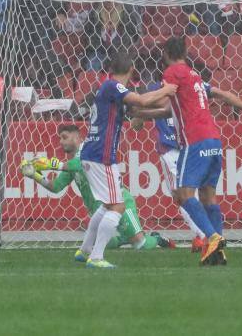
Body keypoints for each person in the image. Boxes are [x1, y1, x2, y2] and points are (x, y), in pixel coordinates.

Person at [65, 52, 177, 268]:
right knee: (117, 206)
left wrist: (161, 112)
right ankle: (96, 257)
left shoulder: (109, 90)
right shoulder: (112, 86)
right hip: (101, 155)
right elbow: (142, 99)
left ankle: (85, 250)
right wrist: (167, 89)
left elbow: (138, 109)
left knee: (107, 205)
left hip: (94, 153)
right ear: (131, 70)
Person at [131, 74, 242, 252]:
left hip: (175, 149)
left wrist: (137, 114)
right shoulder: (194, 85)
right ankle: (208, 236)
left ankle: (206, 237)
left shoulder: (156, 91)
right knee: (198, 194)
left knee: (183, 196)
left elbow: (137, 124)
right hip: (190, 147)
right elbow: (222, 94)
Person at [20, 124, 174, 251]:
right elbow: (55, 187)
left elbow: (80, 164)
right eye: (60, 138)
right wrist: (35, 175)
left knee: (141, 245)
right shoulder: (70, 165)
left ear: (78, 137)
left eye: (65, 137)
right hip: (102, 210)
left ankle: (156, 238)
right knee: (100, 244)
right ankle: (125, 237)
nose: (61, 141)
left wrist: (52, 164)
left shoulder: (89, 151)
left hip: (120, 203)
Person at [162, 36, 227, 265]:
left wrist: (138, 106)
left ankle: (213, 237)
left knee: (183, 194)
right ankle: (218, 251)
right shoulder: (196, 76)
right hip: (214, 139)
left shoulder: (173, 72)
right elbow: (221, 94)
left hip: (195, 140)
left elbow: (163, 104)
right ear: (186, 51)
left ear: (166, 54)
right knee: (208, 195)